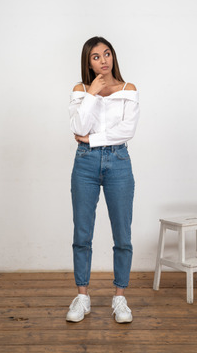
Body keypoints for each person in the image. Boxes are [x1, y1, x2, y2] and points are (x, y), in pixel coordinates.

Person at [66, 36, 139, 323]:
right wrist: (92, 94)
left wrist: (93, 139)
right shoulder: (80, 90)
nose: (103, 60)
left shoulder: (128, 89)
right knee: (82, 234)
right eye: (96, 57)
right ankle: (82, 297)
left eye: (107, 54)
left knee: (122, 235)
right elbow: (78, 127)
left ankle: (119, 298)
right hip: (84, 163)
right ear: (88, 63)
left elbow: (127, 131)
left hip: (119, 162)